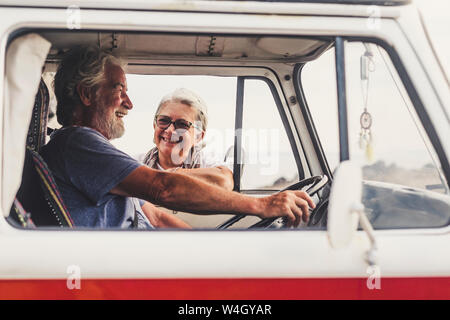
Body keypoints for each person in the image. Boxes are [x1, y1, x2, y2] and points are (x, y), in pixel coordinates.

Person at [41, 45, 315, 230]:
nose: (129, 103)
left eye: (183, 124)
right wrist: (262, 204)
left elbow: (155, 214)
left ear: (200, 135)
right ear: (86, 95)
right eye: (119, 89)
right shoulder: (78, 144)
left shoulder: (93, 150)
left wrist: (212, 252)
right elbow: (163, 188)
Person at [142, 88, 233, 191]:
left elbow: (225, 181)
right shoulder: (136, 163)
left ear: (198, 137)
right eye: (163, 120)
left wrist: (173, 174)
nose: (170, 130)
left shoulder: (207, 164)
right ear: (154, 125)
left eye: (182, 124)